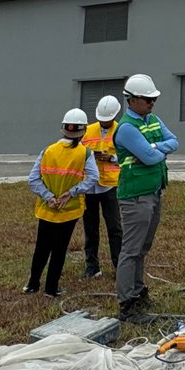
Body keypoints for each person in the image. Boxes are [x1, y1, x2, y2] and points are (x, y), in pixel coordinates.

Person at [113, 73, 178, 326]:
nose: (152, 104)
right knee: (131, 250)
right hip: (136, 196)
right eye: (148, 100)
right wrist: (156, 151)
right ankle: (127, 305)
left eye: (154, 99)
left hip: (153, 191)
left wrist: (153, 149)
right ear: (131, 100)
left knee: (143, 248)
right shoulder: (127, 128)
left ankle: (139, 293)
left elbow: (174, 141)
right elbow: (152, 159)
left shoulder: (152, 119)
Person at [24, 108, 95, 297]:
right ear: (84, 131)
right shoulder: (85, 153)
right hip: (69, 211)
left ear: (63, 129)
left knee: (41, 247)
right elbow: (93, 178)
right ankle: (51, 288)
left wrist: (48, 196)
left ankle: (32, 284)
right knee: (59, 250)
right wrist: (71, 193)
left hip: (47, 209)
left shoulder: (48, 151)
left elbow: (33, 179)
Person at [79, 96, 124, 281]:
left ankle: (119, 265)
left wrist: (112, 158)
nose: (103, 122)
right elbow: (77, 152)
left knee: (114, 227)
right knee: (90, 229)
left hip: (110, 186)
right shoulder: (88, 130)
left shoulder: (122, 130)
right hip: (90, 186)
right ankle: (92, 266)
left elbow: (129, 156)